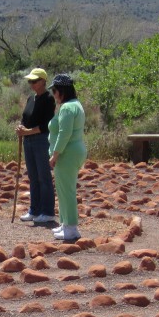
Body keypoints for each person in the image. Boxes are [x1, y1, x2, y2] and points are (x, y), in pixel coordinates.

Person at [48, 73, 87, 241]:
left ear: (62, 90)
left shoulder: (67, 108)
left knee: (67, 190)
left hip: (67, 153)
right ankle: (65, 224)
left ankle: (71, 227)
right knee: (63, 189)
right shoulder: (75, 105)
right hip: (72, 151)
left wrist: (55, 154)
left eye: (55, 90)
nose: (54, 94)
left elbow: (64, 134)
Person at [15, 68, 56, 224]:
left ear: (43, 81)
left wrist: (27, 132)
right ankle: (35, 209)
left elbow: (46, 125)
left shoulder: (48, 99)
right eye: (30, 81)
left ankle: (47, 211)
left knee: (43, 176)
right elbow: (26, 118)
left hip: (41, 140)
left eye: (34, 81)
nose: (31, 84)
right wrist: (21, 128)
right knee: (33, 176)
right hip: (28, 141)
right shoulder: (30, 99)